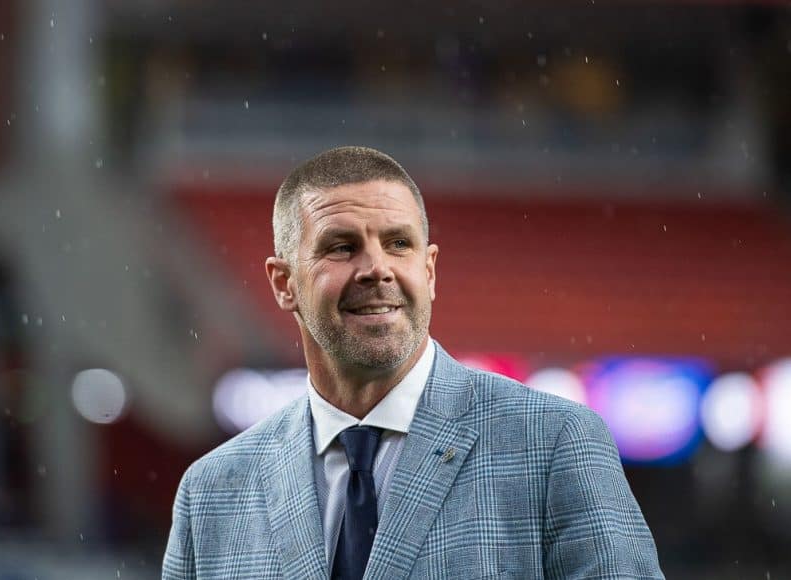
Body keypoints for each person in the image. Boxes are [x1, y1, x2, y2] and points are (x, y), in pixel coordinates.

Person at [163, 146, 664, 579]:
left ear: (430, 269)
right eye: (342, 247)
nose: (377, 268)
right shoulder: (211, 494)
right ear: (283, 283)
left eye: (398, 244)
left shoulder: (553, 444)